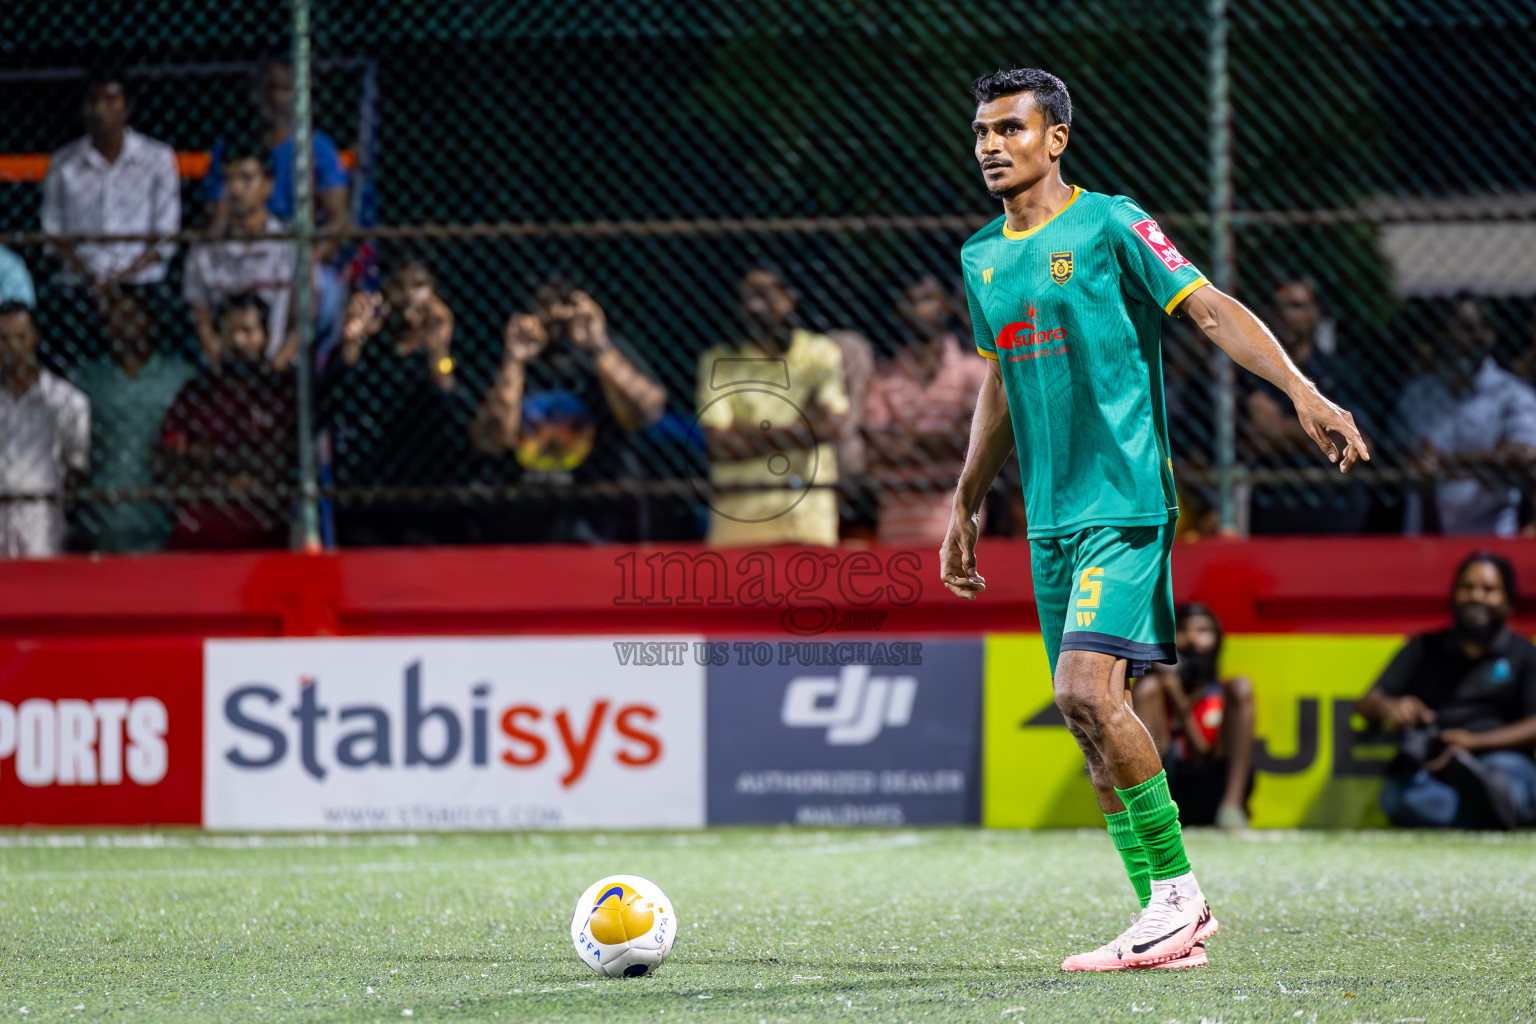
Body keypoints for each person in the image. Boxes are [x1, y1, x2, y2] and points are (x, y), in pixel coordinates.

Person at [939, 68, 1368, 971]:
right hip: (1049, 520)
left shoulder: (1112, 222)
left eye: (1009, 129)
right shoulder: (981, 255)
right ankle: (1161, 919)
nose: (989, 145)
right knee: (1092, 720)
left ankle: (1180, 902)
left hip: (1125, 502)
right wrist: (967, 501)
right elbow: (999, 386)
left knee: (1083, 692)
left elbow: (1208, 309)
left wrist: (1300, 389)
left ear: (1055, 138)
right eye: (981, 130)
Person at [470, 280, 667, 543]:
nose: (555, 314)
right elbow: (491, 440)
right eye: (545, 304)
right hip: (526, 519)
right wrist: (514, 361)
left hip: (600, 516)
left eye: (566, 304)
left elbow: (646, 413)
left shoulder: (609, 350)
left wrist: (598, 347)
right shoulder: (513, 359)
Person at [1358, 552, 1536, 829]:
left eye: (1488, 590)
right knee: (1397, 798)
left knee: (1512, 779)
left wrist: (1474, 743)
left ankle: (1490, 795)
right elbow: (1368, 702)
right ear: (1454, 595)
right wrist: (1393, 708)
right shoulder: (1423, 648)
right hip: (1438, 762)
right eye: (1467, 587)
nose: (1476, 596)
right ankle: (1488, 812)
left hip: (1500, 756)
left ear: (1507, 602)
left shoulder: (1523, 653)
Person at [323, 263, 479, 546]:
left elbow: (461, 421)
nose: (408, 295)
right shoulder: (371, 353)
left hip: (433, 503)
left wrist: (439, 352)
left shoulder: (451, 353)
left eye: (418, 286)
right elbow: (325, 404)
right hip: (370, 502)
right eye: (399, 286)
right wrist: (352, 341)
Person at [204, 58, 350, 357]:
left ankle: (303, 369)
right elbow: (217, 216)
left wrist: (310, 255)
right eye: (267, 88)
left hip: (297, 252)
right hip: (245, 249)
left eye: (284, 89)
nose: (274, 97)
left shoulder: (317, 146)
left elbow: (339, 220)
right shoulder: (232, 146)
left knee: (326, 293)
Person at [696, 267, 849, 547]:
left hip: (808, 523)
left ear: (789, 298)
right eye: (746, 297)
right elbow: (718, 446)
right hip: (740, 525)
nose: (754, 305)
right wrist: (801, 430)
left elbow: (830, 428)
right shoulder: (719, 361)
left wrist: (746, 432)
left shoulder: (820, 352)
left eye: (764, 294)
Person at [40, 72, 179, 334]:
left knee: (163, 299)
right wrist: (91, 277)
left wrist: (122, 279)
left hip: (142, 280)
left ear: (128, 107)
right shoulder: (63, 164)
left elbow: (166, 236)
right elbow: (53, 236)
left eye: (111, 99)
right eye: (93, 100)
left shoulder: (157, 159)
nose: (100, 109)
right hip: (81, 280)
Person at [157, 294, 295, 550]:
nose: (238, 340)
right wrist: (229, 481)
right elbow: (167, 458)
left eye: (247, 330)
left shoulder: (282, 394)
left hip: (266, 537)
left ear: (265, 335)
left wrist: (204, 455)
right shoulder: (197, 393)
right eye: (228, 331)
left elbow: (284, 460)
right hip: (199, 535)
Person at [863, 276, 990, 546]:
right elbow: (879, 447)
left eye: (926, 299)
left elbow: (982, 442)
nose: (916, 309)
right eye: (908, 301)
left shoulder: (974, 372)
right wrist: (950, 438)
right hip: (897, 526)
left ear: (946, 306)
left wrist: (906, 440)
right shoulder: (884, 379)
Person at [1396, 295, 1536, 536]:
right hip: (1424, 533)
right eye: (1459, 328)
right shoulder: (1418, 395)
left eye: (1477, 329)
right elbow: (1401, 451)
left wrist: (1445, 463)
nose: (1470, 339)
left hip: (1491, 532)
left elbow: (1522, 455)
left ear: (1491, 336)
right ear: (1441, 336)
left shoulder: (1513, 395)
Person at [1243, 276, 1372, 534]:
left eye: (1298, 306)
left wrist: (1285, 431)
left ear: (1315, 312)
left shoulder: (1337, 373)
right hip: (1272, 509)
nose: (1288, 317)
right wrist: (1322, 431)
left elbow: (1360, 444)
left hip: (1335, 509)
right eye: (1282, 307)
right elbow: (1263, 430)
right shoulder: (1254, 372)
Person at [71, 292, 196, 552]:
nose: (123, 325)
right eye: (114, 319)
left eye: (132, 316)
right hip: (101, 512)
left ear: (152, 322)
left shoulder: (180, 378)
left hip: (161, 515)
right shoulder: (87, 379)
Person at [1135, 603, 1256, 829]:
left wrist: (1179, 700)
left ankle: (1232, 808)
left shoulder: (1225, 693)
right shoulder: (1156, 692)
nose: (1191, 639)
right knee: (1148, 687)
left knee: (1242, 686)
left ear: (1217, 641)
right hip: (1170, 791)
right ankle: (1147, 813)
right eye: (1181, 630)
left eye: (1203, 631)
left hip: (1214, 790)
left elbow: (1201, 752)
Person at [183, 143, 297, 370]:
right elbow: (200, 316)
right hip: (222, 369)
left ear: (268, 186)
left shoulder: (289, 246)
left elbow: (302, 320)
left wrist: (278, 364)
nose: (236, 189)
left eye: (246, 178)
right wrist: (217, 362)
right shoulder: (204, 250)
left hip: (278, 370)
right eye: (229, 179)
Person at [0, 302, 91, 558]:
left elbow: (76, 466)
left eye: (20, 337)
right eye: (3, 339)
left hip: (41, 510)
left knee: (38, 587)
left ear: (34, 339)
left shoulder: (66, 401)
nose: (12, 348)